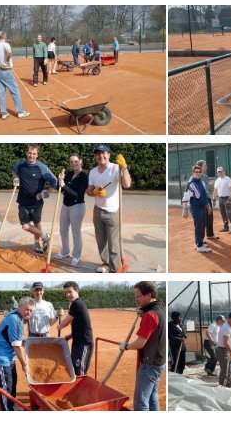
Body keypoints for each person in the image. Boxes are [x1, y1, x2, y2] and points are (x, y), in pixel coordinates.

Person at [119, 281, 166, 411]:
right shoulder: (161, 309)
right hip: (159, 362)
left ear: (149, 295)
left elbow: (140, 343)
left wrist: (126, 346)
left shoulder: (150, 315)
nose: (136, 299)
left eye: (139, 296)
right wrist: (143, 311)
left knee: (141, 402)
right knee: (152, 397)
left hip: (149, 364)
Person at [87, 145, 132, 273]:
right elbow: (89, 191)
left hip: (113, 211)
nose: (101, 156)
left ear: (109, 155)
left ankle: (115, 268)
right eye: (98, 154)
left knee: (113, 243)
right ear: (95, 157)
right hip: (98, 210)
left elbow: (127, 184)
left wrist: (124, 167)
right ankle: (106, 264)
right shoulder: (93, 172)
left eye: (104, 153)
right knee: (101, 241)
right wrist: (95, 192)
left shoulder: (115, 168)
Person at [0, 296, 34, 411]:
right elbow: (16, 347)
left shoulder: (18, 317)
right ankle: (7, 409)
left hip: (8, 355)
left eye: (31, 310)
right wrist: (24, 365)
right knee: (5, 385)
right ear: (19, 306)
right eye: (27, 309)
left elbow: (14, 339)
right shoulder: (15, 320)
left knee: (12, 380)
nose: (29, 312)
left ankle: (11, 405)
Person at [12, 144, 57, 254]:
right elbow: (14, 170)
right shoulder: (21, 165)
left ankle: (37, 243)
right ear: (26, 153)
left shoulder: (42, 168)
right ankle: (45, 236)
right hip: (22, 200)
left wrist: (45, 194)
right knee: (25, 225)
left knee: (37, 223)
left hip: (37, 201)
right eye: (29, 153)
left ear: (37, 155)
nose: (31, 155)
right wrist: (16, 177)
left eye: (34, 154)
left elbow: (54, 181)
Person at [0, 31, 30, 120]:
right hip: (6, 72)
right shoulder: (6, 44)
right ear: (4, 36)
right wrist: (6, 62)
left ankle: (3, 113)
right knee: (15, 91)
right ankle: (20, 112)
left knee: (1, 93)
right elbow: (9, 52)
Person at [54, 153, 89, 267]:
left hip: (77, 206)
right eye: (71, 162)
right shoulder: (68, 174)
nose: (74, 163)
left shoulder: (84, 176)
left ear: (80, 161)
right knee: (63, 230)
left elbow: (78, 195)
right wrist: (59, 181)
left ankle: (76, 255)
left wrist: (64, 186)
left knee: (76, 232)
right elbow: (60, 189)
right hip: (65, 205)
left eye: (76, 161)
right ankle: (65, 251)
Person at [58, 281, 94, 376]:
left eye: (70, 291)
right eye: (66, 292)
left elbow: (66, 321)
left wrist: (60, 325)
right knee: (74, 368)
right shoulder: (75, 304)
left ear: (76, 290)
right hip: (77, 343)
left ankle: (80, 390)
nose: (68, 295)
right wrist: (69, 336)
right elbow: (79, 326)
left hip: (84, 343)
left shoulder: (77, 304)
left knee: (80, 372)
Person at [181, 164, 211, 253]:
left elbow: (205, 195)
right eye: (196, 172)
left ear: (201, 173)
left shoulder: (201, 182)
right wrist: (184, 209)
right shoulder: (190, 184)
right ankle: (199, 246)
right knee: (199, 226)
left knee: (203, 225)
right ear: (193, 173)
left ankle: (199, 242)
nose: (198, 173)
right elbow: (185, 198)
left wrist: (208, 206)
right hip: (196, 208)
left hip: (203, 207)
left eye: (199, 172)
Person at [196, 160, 218, 241]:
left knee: (209, 217)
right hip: (201, 200)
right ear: (200, 167)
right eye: (205, 166)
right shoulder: (196, 176)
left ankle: (210, 234)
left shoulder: (205, 176)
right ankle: (201, 238)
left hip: (207, 199)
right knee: (202, 219)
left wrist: (210, 198)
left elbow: (207, 189)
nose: (206, 167)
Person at [217, 312, 231, 387]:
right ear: (229, 319)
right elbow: (225, 343)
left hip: (228, 350)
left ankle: (228, 388)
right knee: (224, 372)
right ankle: (222, 389)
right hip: (223, 351)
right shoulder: (226, 327)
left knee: (229, 371)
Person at [213, 167, 231, 233]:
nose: (220, 173)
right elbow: (215, 190)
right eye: (219, 172)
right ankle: (226, 227)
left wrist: (230, 199)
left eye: (221, 171)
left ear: (224, 171)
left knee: (229, 213)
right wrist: (214, 199)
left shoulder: (228, 179)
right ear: (217, 173)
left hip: (227, 198)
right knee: (222, 213)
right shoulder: (217, 180)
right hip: (220, 198)